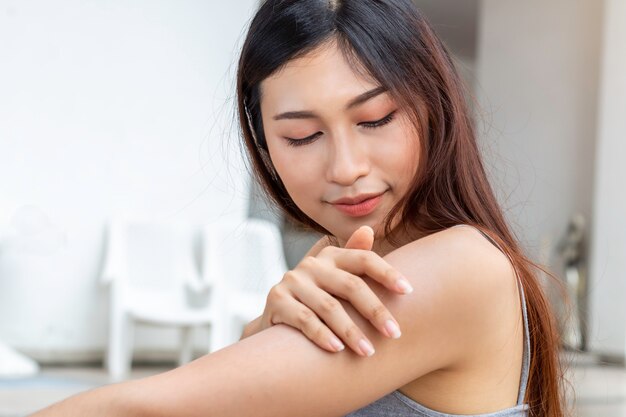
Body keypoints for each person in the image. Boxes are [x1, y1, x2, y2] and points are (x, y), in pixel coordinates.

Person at [30, 0, 567, 416]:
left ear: (433, 106)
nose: (346, 167)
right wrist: (265, 325)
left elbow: (149, 408)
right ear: (263, 142)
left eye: (376, 119)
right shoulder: (338, 258)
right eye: (303, 136)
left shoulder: (460, 268)